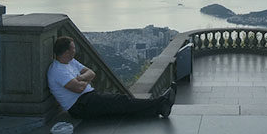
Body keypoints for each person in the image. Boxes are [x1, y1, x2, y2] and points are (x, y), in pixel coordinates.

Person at [47, 36, 176, 119]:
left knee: (120, 105)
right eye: (73, 48)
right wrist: (84, 79)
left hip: (88, 99)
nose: (75, 50)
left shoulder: (70, 61)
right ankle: (161, 102)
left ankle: (160, 108)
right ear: (67, 52)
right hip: (79, 107)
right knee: (121, 101)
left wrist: (79, 78)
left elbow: (92, 73)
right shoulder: (57, 71)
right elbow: (80, 88)